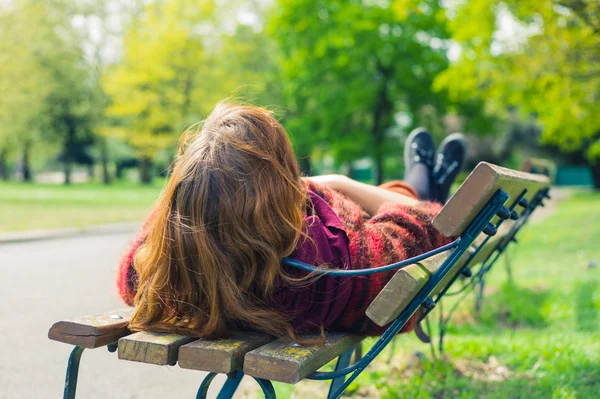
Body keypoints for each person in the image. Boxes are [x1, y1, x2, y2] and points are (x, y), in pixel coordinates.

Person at [116, 103, 467, 341]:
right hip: (381, 216)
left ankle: (425, 174)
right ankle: (423, 176)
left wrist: (196, 189)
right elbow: (430, 219)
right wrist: (339, 185)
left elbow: (136, 261)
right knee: (403, 194)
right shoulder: (324, 259)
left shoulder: (171, 270)